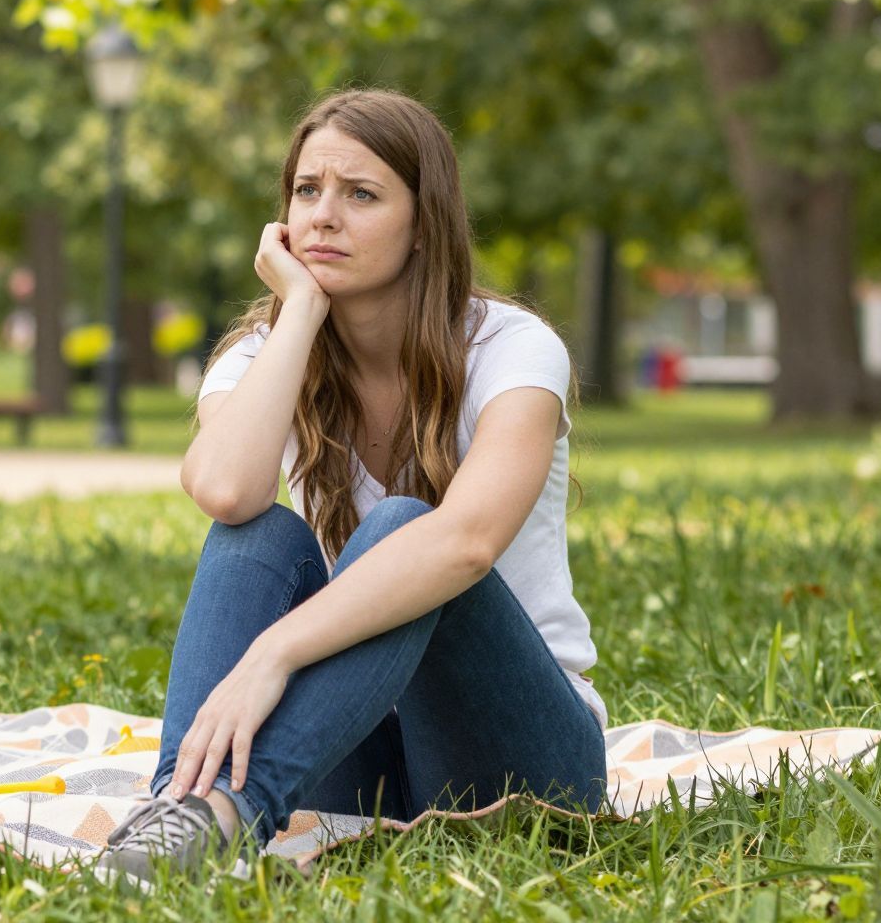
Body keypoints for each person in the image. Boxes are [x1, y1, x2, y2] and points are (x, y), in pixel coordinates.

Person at [95, 90, 607, 883]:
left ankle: (226, 806)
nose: (323, 217)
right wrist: (299, 310)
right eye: (307, 191)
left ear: (422, 226)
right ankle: (188, 815)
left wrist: (274, 652)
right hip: (352, 749)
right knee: (256, 532)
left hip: (522, 766)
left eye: (360, 194)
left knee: (407, 525)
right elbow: (227, 491)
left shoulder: (513, 350)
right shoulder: (267, 355)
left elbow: (465, 542)